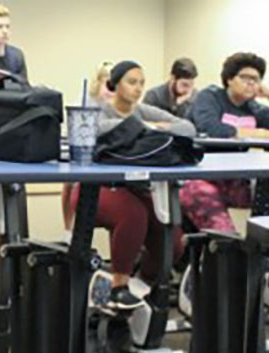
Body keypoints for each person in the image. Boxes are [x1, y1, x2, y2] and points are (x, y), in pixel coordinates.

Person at [69, 61, 195, 309]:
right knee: (134, 215)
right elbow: (93, 129)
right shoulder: (100, 111)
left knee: (172, 237)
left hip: (135, 189)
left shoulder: (141, 111)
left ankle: (143, 279)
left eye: (141, 83)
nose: (138, 89)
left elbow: (188, 127)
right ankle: (119, 286)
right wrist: (145, 129)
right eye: (131, 82)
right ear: (114, 85)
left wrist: (145, 127)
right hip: (96, 190)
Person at [180, 52, 269, 232]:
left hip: (234, 180)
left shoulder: (253, 107)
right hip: (199, 177)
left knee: (261, 210)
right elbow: (209, 127)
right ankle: (227, 252)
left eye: (256, 79)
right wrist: (255, 133)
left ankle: (257, 249)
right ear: (229, 79)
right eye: (245, 77)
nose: (251, 83)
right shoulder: (209, 97)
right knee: (224, 232)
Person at [62, 61, 114, 242]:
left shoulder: (117, 105)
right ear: (99, 82)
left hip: (107, 158)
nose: (111, 89)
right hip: (83, 155)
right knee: (70, 182)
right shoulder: (85, 102)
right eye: (108, 83)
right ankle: (69, 231)